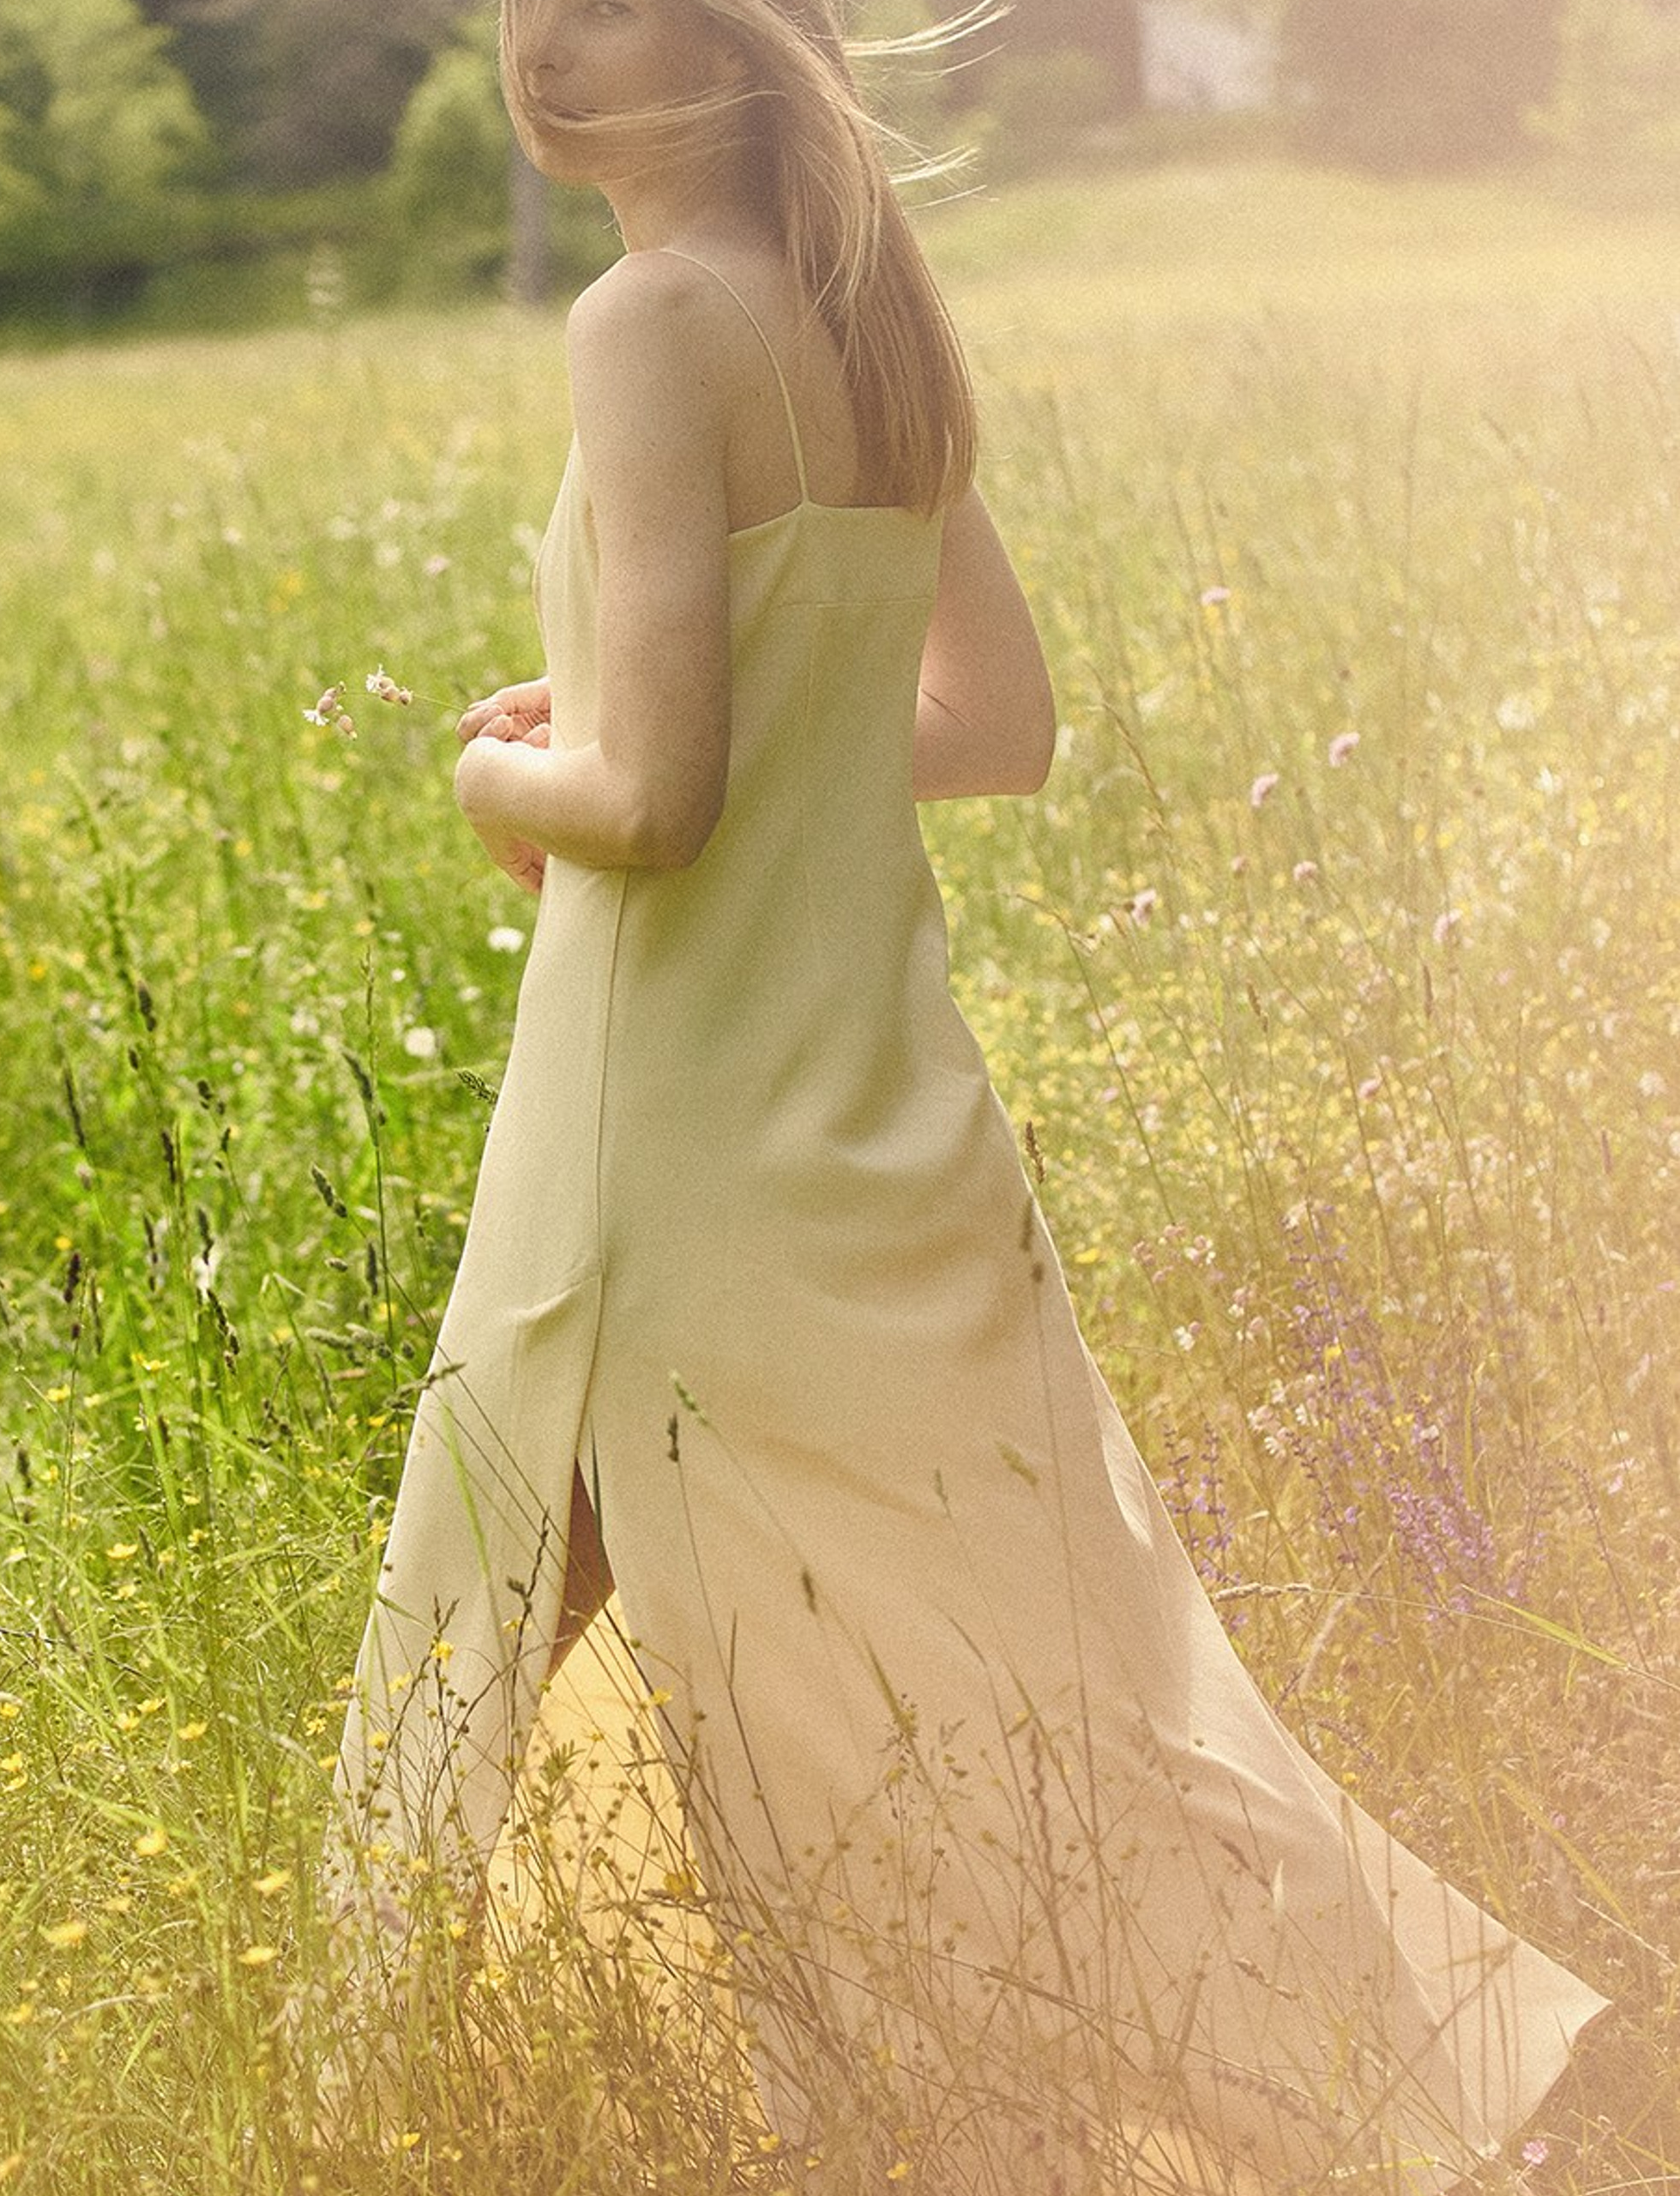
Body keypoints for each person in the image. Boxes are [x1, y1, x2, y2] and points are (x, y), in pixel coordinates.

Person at [321, 0, 1611, 2184]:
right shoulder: (861, 317)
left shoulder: (646, 319)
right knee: (1008, 1660)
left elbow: (650, 792)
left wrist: (487, 762)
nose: (543, 43)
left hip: (669, 1134)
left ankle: (386, 2119)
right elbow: (993, 718)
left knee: (493, 1627)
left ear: (736, 45)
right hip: (883, 1113)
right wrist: (672, 696)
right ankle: (1332, 2079)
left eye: (610, 8)